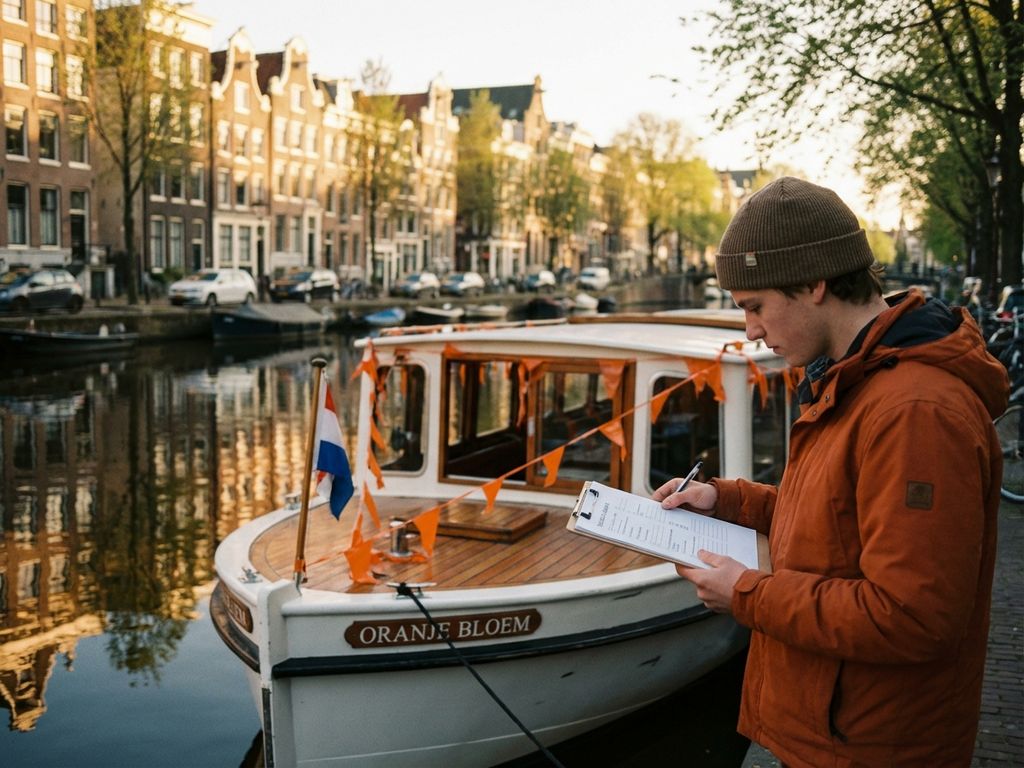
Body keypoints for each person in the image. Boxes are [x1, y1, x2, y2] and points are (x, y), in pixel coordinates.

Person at [653, 177, 1008, 767]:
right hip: (826, 728)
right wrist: (727, 500)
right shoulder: (853, 378)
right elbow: (839, 520)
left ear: (814, 284)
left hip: (868, 744)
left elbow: (912, 616)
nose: (751, 331)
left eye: (755, 306)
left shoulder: (916, 413)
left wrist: (747, 593)